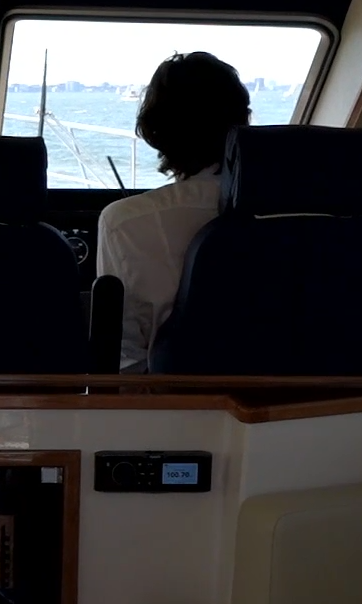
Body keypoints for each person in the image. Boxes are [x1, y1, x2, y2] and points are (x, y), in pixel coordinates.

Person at [96, 52, 252, 372]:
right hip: (324, 410)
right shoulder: (332, 228)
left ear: (157, 131)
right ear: (243, 123)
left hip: (176, 408)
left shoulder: (123, 223)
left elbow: (124, 354)